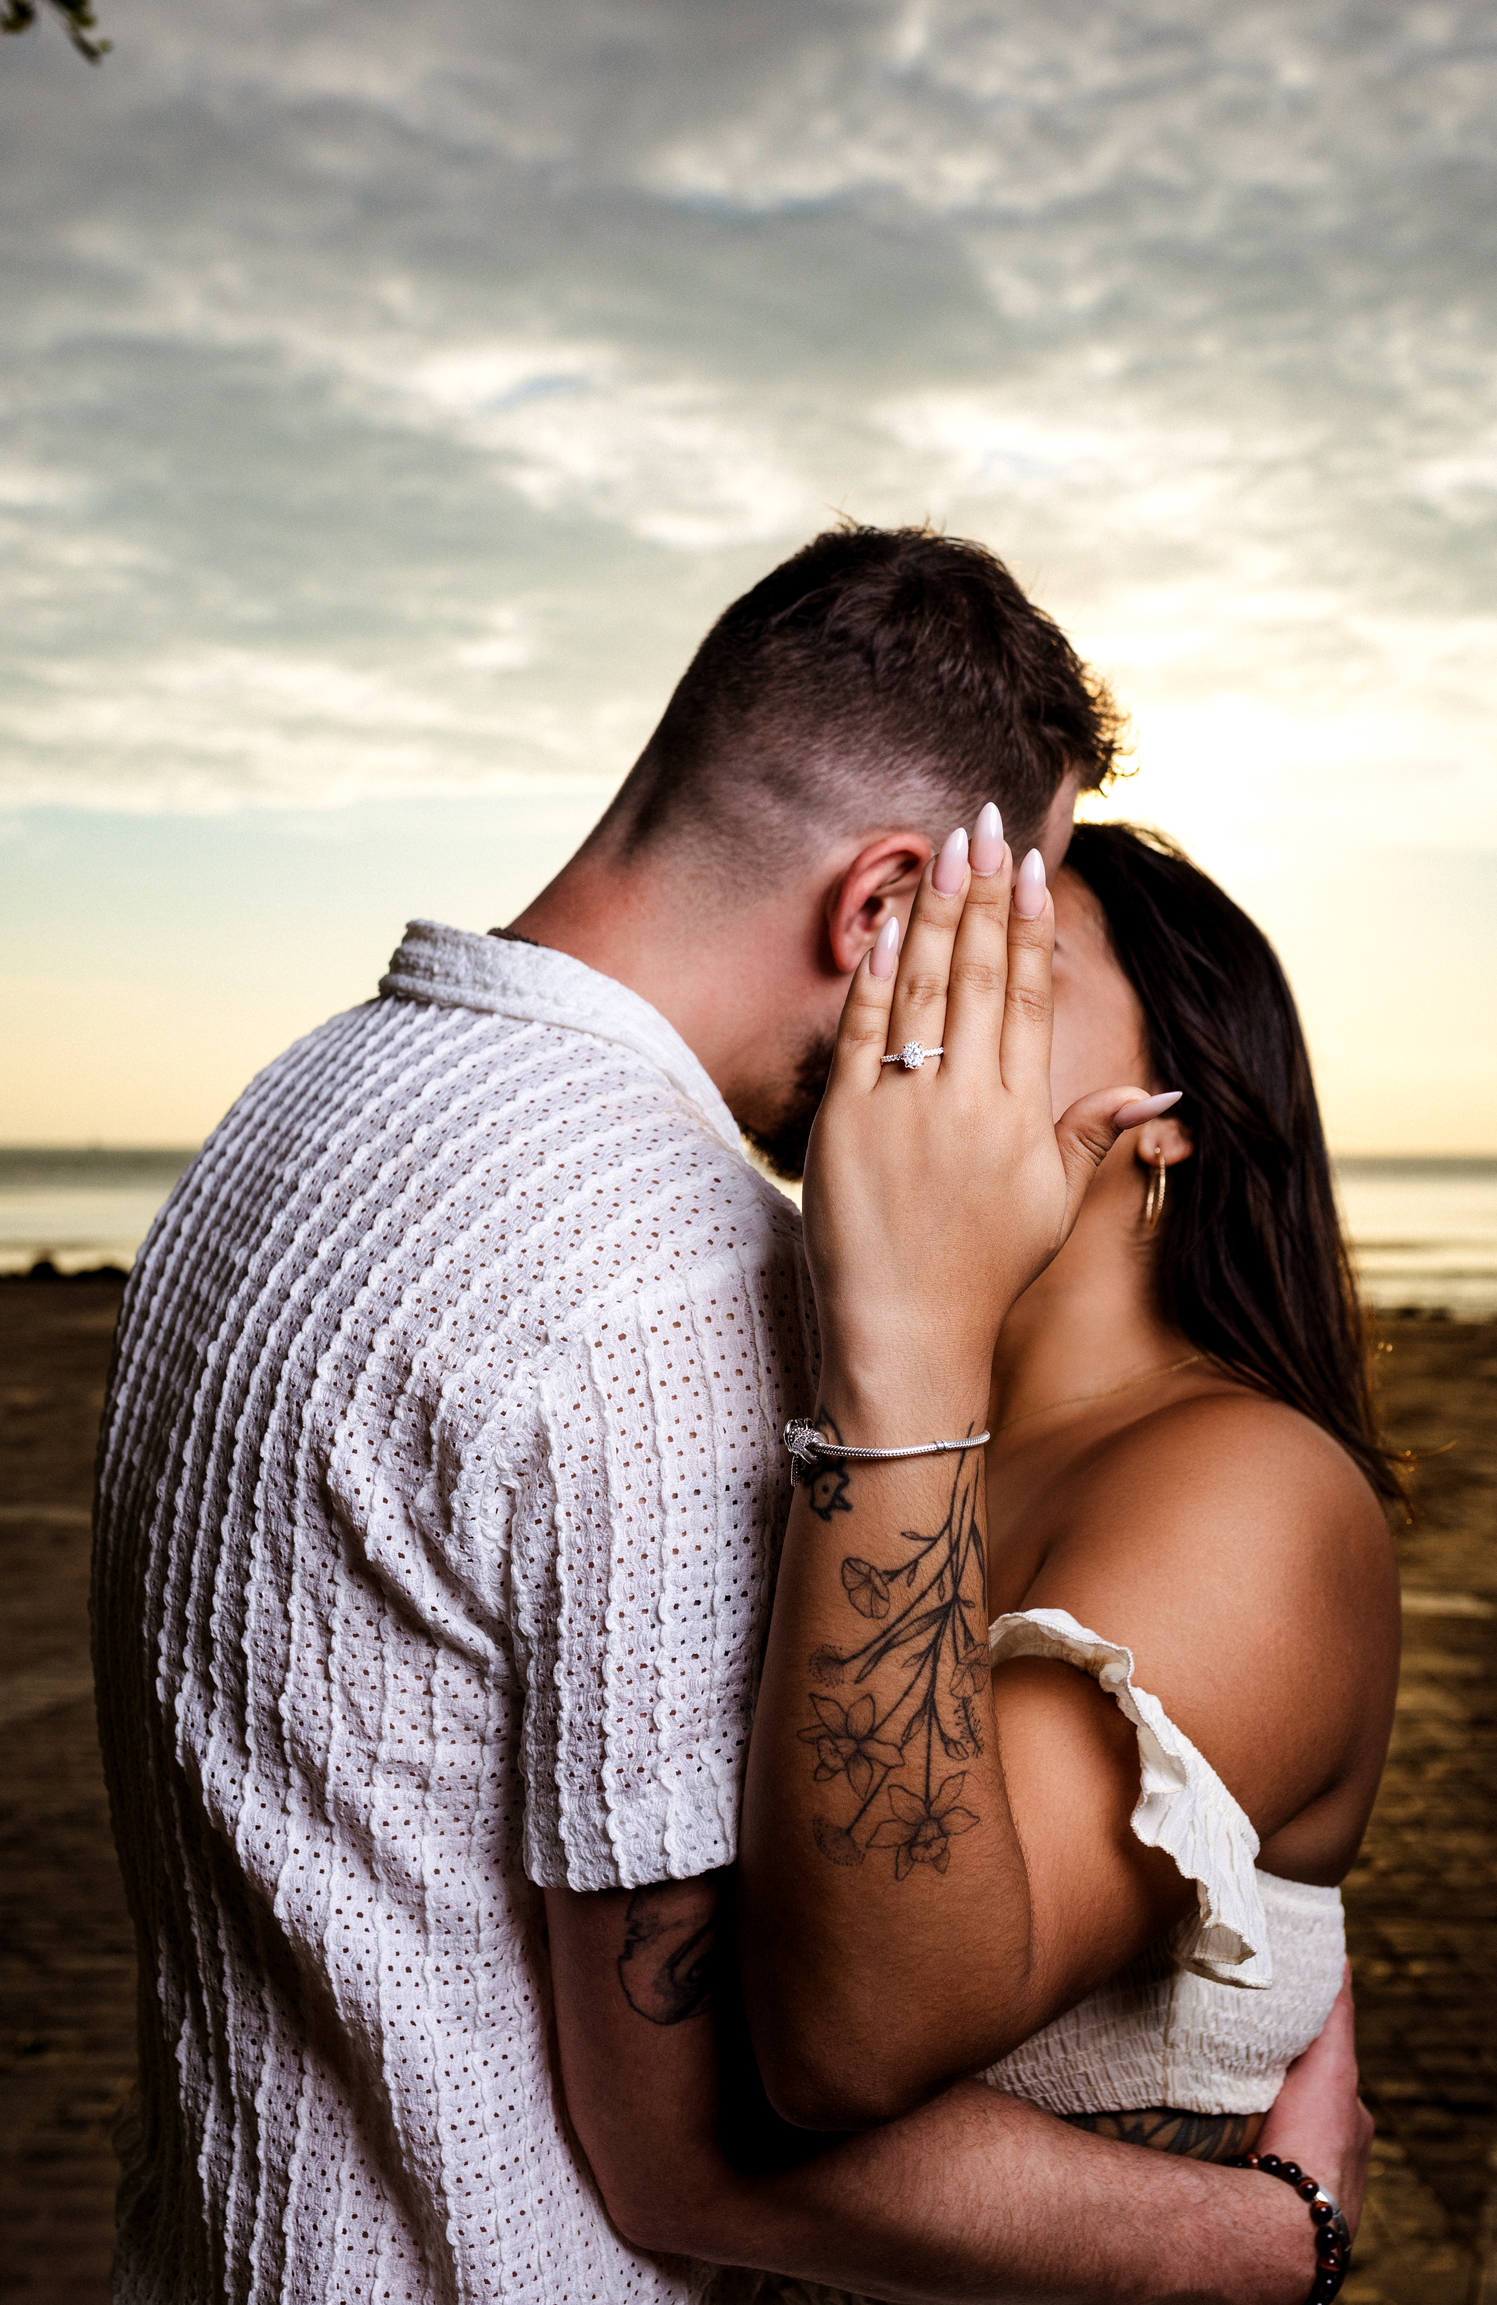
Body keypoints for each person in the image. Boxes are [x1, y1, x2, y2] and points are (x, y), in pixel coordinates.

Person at [92, 525, 1369, 2305]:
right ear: (882, 906)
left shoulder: (302, 1103)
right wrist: (1260, 2238)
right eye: (994, 924)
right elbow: (711, 2124)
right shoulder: (677, 1276)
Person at [739, 814, 1400, 2281]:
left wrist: (904, 1334)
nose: (911, 989)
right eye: (911, 941)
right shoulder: (824, 1419)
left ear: (1168, 1108)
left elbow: (865, 2032)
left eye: (1008, 956)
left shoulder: (1254, 1488)